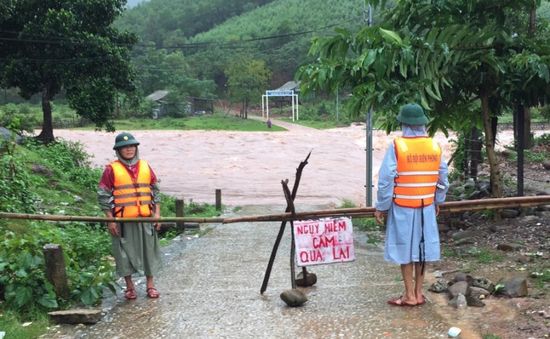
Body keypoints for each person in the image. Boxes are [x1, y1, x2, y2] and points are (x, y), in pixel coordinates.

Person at [374, 103, 449, 307]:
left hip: (403, 207)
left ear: (403, 124)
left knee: (405, 251)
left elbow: (385, 179)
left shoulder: (398, 146)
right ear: (423, 123)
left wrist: (381, 206)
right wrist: (438, 200)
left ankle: (409, 295)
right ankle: (418, 293)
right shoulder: (434, 146)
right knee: (422, 251)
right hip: (426, 207)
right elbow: (443, 178)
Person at [98, 132, 162, 300]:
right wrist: (110, 219)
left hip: (145, 219)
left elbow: (155, 190)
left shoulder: (146, 166)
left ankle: (150, 285)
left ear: (136, 148)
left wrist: (157, 214)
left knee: (149, 251)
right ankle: (130, 287)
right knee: (123, 253)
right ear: (118, 150)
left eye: (132, 146)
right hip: (123, 221)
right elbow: (103, 194)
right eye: (125, 147)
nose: (129, 149)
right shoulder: (111, 169)